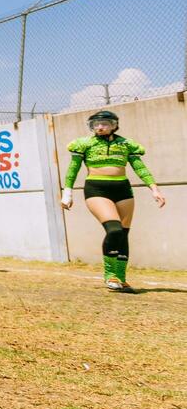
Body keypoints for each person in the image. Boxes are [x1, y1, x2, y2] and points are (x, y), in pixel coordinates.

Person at [61, 110, 166, 292]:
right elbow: (73, 169)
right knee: (114, 229)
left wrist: (154, 189)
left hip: (123, 189)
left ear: (114, 125)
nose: (100, 127)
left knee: (123, 234)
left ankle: (122, 278)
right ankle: (110, 275)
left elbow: (140, 167)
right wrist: (67, 192)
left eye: (104, 124)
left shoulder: (126, 144)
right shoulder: (84, 144)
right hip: (96, 189)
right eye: (96, 124)